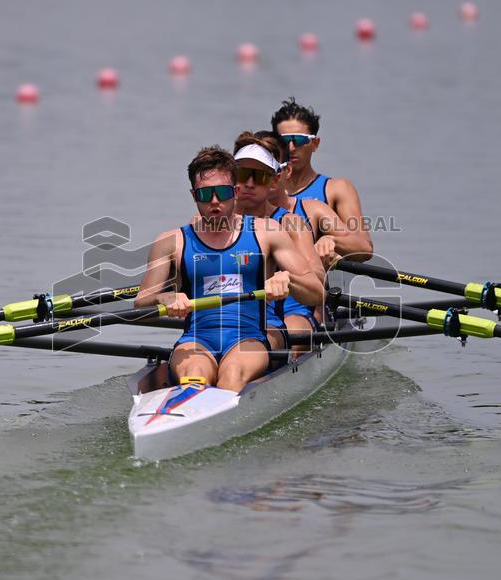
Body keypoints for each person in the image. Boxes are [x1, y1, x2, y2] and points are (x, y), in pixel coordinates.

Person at [135, 146, 323, 392]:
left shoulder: (267, 232)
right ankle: (189, 410)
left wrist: (289, 280)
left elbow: (318, 292)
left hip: (248, 339)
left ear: (234, 192)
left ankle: (217, 409)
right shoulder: (172, 241)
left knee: (232, 375)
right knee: (193, 375)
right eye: (205, 194)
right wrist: (164, 297)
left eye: (222, 192)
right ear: (194, 196)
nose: (215, 201)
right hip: (196, 340)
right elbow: (140, 304)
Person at [231, 131, 324, 355]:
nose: (250, 184)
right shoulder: (213, 223)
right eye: (243, 175)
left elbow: (318, 280)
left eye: (260, 176)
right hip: (236, 312)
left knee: (290, 331)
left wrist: (288, 278)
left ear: (274, 180)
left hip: (291, 310)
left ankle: (274, 370)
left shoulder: (290, 223)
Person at [271, 98, 373, 261]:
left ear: (315, 143)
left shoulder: (337, 189)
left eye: (299, 140)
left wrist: (332, 239)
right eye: (284, 141)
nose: (290, 148)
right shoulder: (262, 190)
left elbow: (364, 248)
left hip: (326, 283)